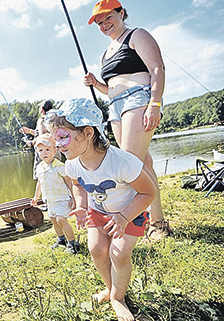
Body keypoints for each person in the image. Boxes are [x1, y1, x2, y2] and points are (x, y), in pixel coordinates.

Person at [45, 98, 155, 321]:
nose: (58, 144)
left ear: (88, 133)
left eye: (63, 137)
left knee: (120, 254)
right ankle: (110, 288)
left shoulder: (122, 162)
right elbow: (78, 185)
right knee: (96, 249)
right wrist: (81, 206)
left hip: (129, 212)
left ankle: (119, 298)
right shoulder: (72, 162)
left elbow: (148, 193)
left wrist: (123, 217)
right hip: (98, 211)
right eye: (56, 139)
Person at [83, 0, 171, 240]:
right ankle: (158, 221)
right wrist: (96, 84)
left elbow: (156, 68)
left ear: (121, 13)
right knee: (143, 164)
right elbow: (111, 87)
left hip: (138, 99)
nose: (104, 24)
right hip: (115, 107)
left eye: (108, 17)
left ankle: (144, 224)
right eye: (99, 22)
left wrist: (155, 103)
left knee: (130, 165)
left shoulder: (137, 35)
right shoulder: (106, 52)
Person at [30, 133, 79, 254]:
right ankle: (61, 239)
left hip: (62, 198)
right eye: (41, 150)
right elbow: (39, 183)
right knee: (53, 219)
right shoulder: (40, 167)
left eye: (47, 150)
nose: (44, 153)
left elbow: (69, 182)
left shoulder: (59, 166)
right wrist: (36, 197)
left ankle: (72, 243)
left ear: (55, 150)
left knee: (61, 219)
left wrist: (74, 197)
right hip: (49, 200)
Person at [19, 99, 54, 180]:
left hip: (44, 153)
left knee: (42, 179)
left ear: (41, 109)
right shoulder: (53, 119)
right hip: (54, 151)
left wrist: (30, 142)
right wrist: (29, 131)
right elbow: (45, 134)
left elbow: (43, 138)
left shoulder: (41, 120)